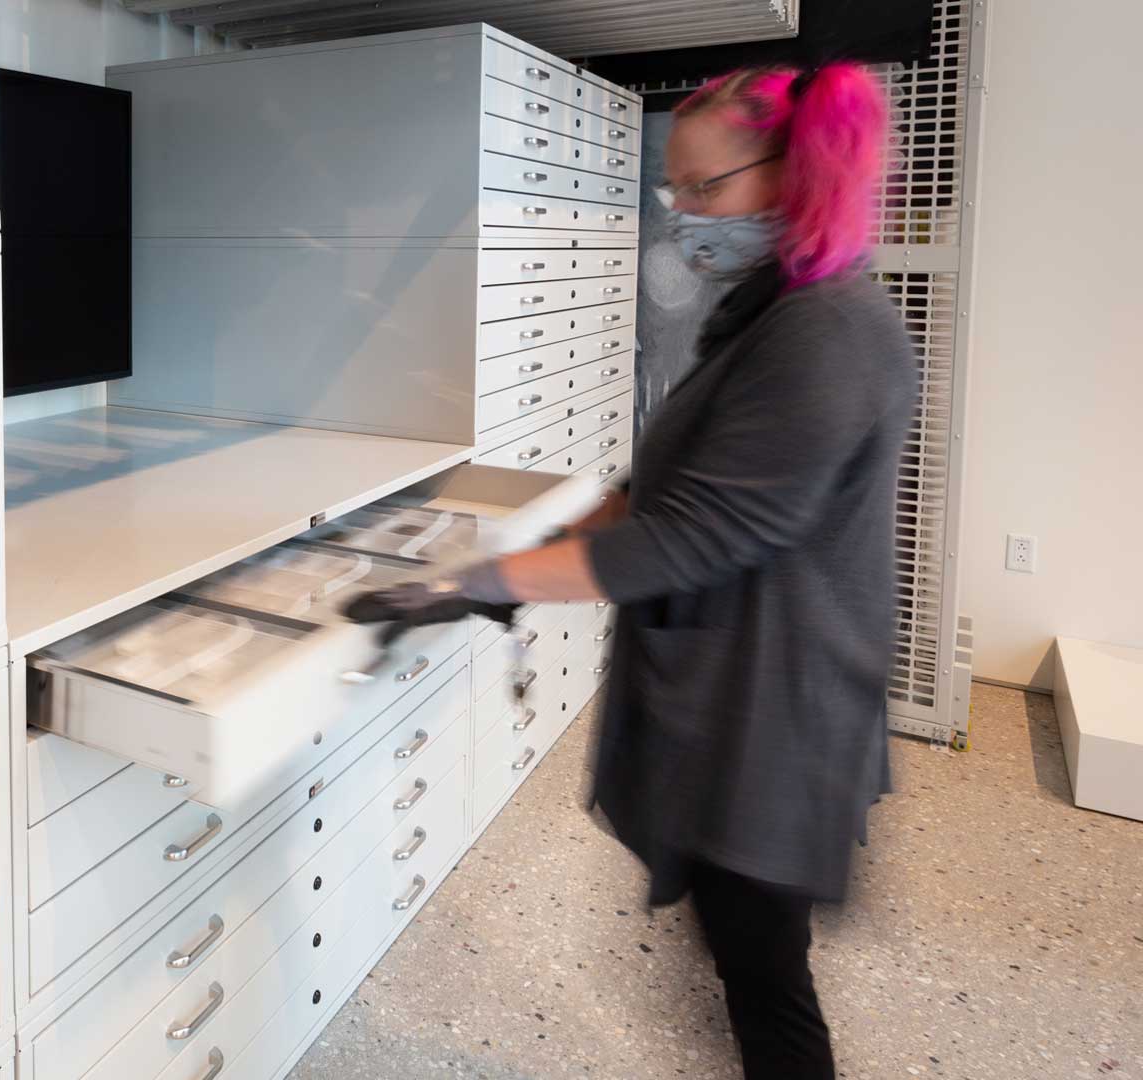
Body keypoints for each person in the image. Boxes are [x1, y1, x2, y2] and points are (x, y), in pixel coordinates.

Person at [345, 62, 909, 1080]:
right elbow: (679, 491)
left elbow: (691, 536)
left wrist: (480, 582)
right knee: (747, 956)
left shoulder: (828, 331)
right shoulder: (774, 312)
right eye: (676, 189)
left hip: (776, 710)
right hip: (747, 699)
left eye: (707, 187)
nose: (685, 214)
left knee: (767, 986)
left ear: (797, 173)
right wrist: (529, 536)